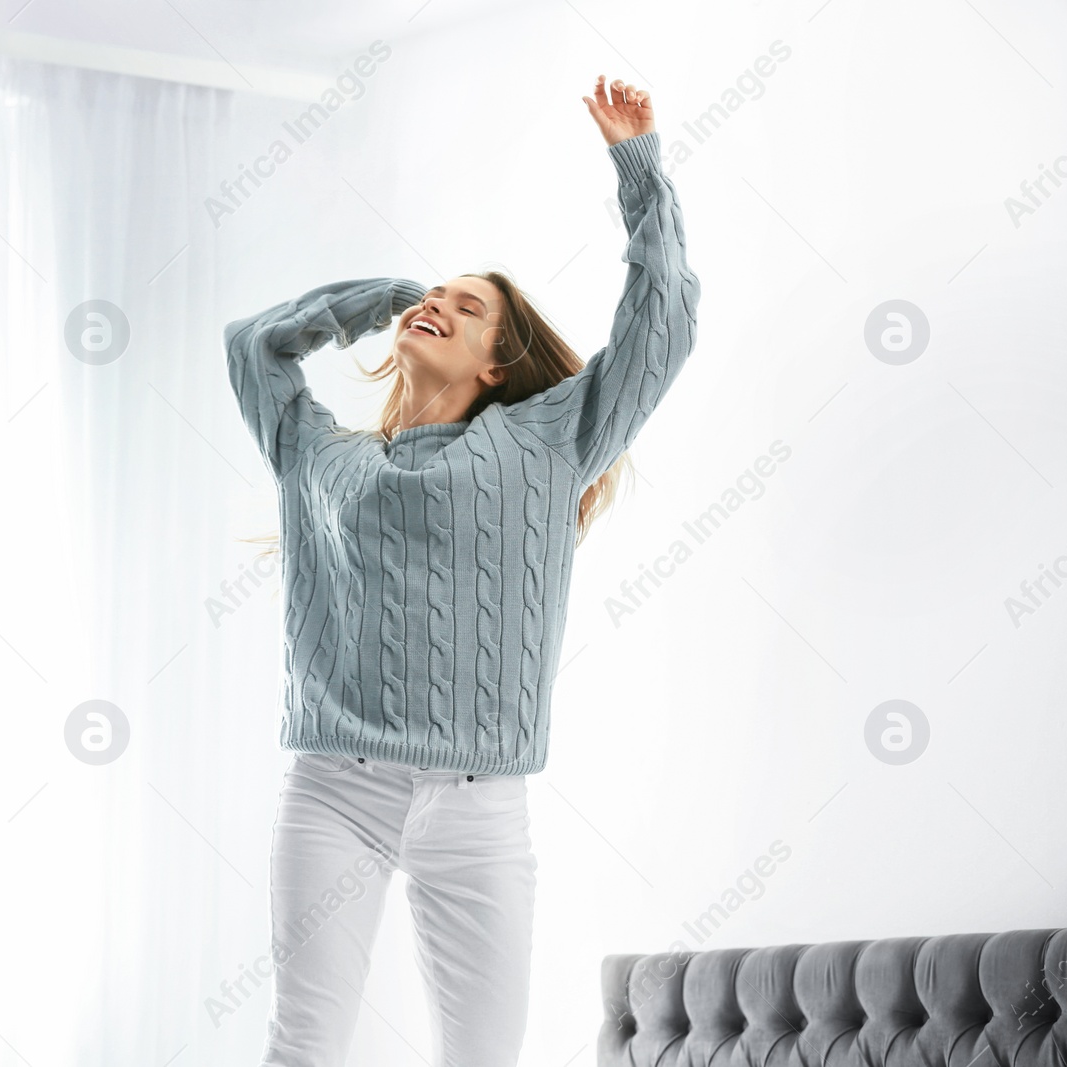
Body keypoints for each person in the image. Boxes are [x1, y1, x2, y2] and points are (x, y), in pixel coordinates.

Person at [222, 74, 701, 1067]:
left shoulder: (549, 438)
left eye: (462, 305)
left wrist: (638, 165)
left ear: (497, 360)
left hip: (483, 802)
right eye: (432, 296)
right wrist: (375, 303)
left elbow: (662, 325)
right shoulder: (323, 454)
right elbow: (253, 344)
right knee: (303, 1041)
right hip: (333, 792)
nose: (437, 304)